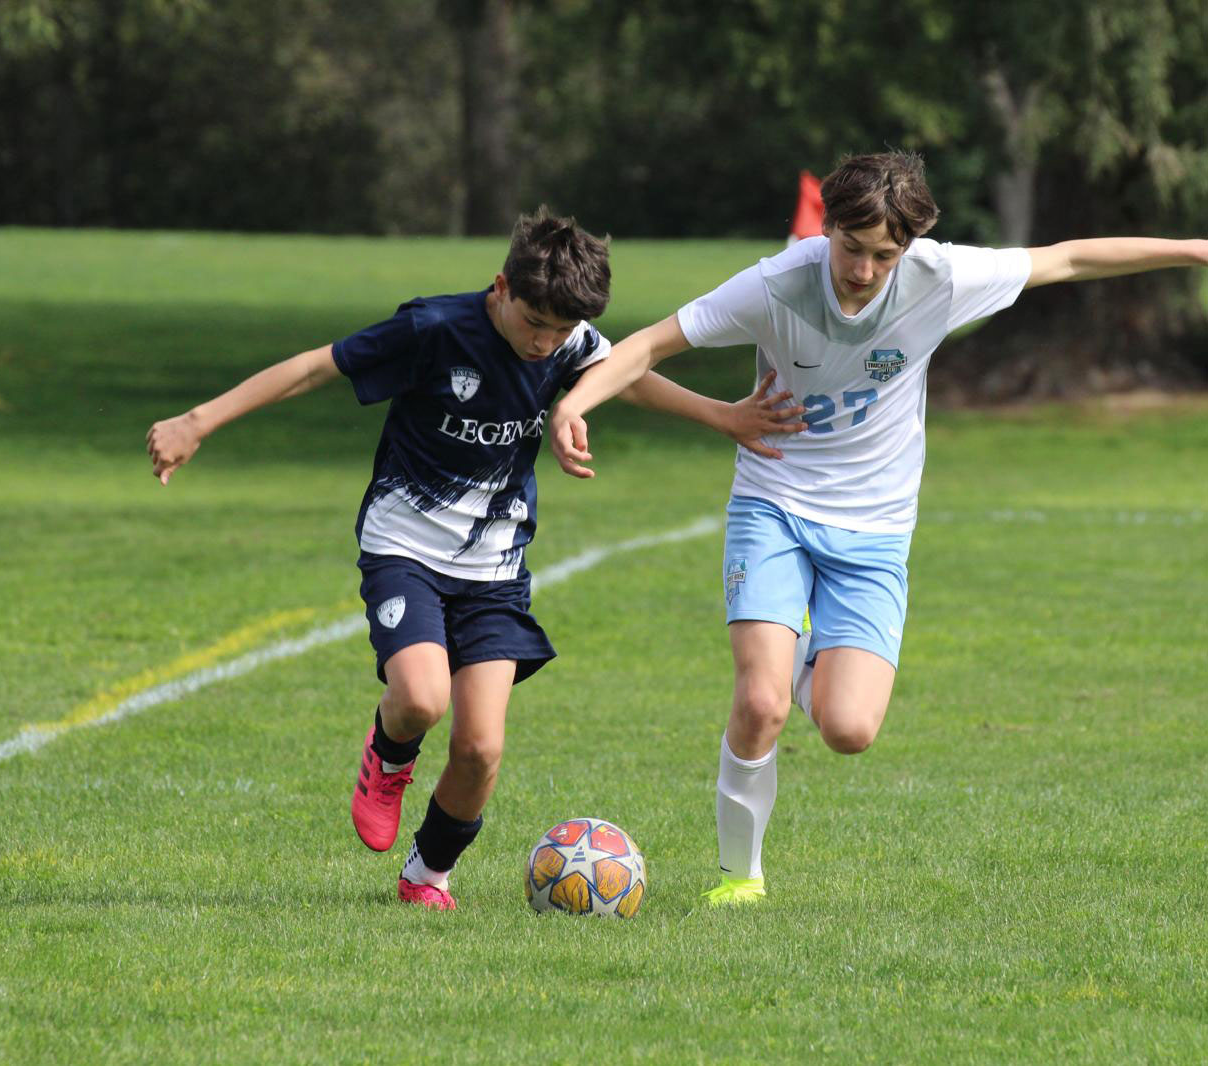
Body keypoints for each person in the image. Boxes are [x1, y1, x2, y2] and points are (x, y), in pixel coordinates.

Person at [548, 151, 1208, 906]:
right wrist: (575, 406)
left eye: (883, 255)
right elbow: (646, 345)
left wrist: (1192, 249)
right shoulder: (776, 285)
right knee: (759, 703)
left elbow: (1064, 259)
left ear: (911, 245)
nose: (862, 270)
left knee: (848, 728)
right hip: (775, 500)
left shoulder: (940, 278)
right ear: (826, 228)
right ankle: (739, 878)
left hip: (875, 530)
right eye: (850, 247)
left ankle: (792, 660)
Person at [146, 208, 797, 910]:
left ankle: (427, 874)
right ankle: (388, 757)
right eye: (533, 324)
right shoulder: (435, 330)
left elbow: (627, 378)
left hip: (494, 572)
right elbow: (313, 369)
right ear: (499, 289)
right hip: (405, 550)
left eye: (560, 332)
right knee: (422, 699)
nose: (545, 344)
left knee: (481, 749)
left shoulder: (568, 340)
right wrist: (197, 420)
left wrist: (722, 415)